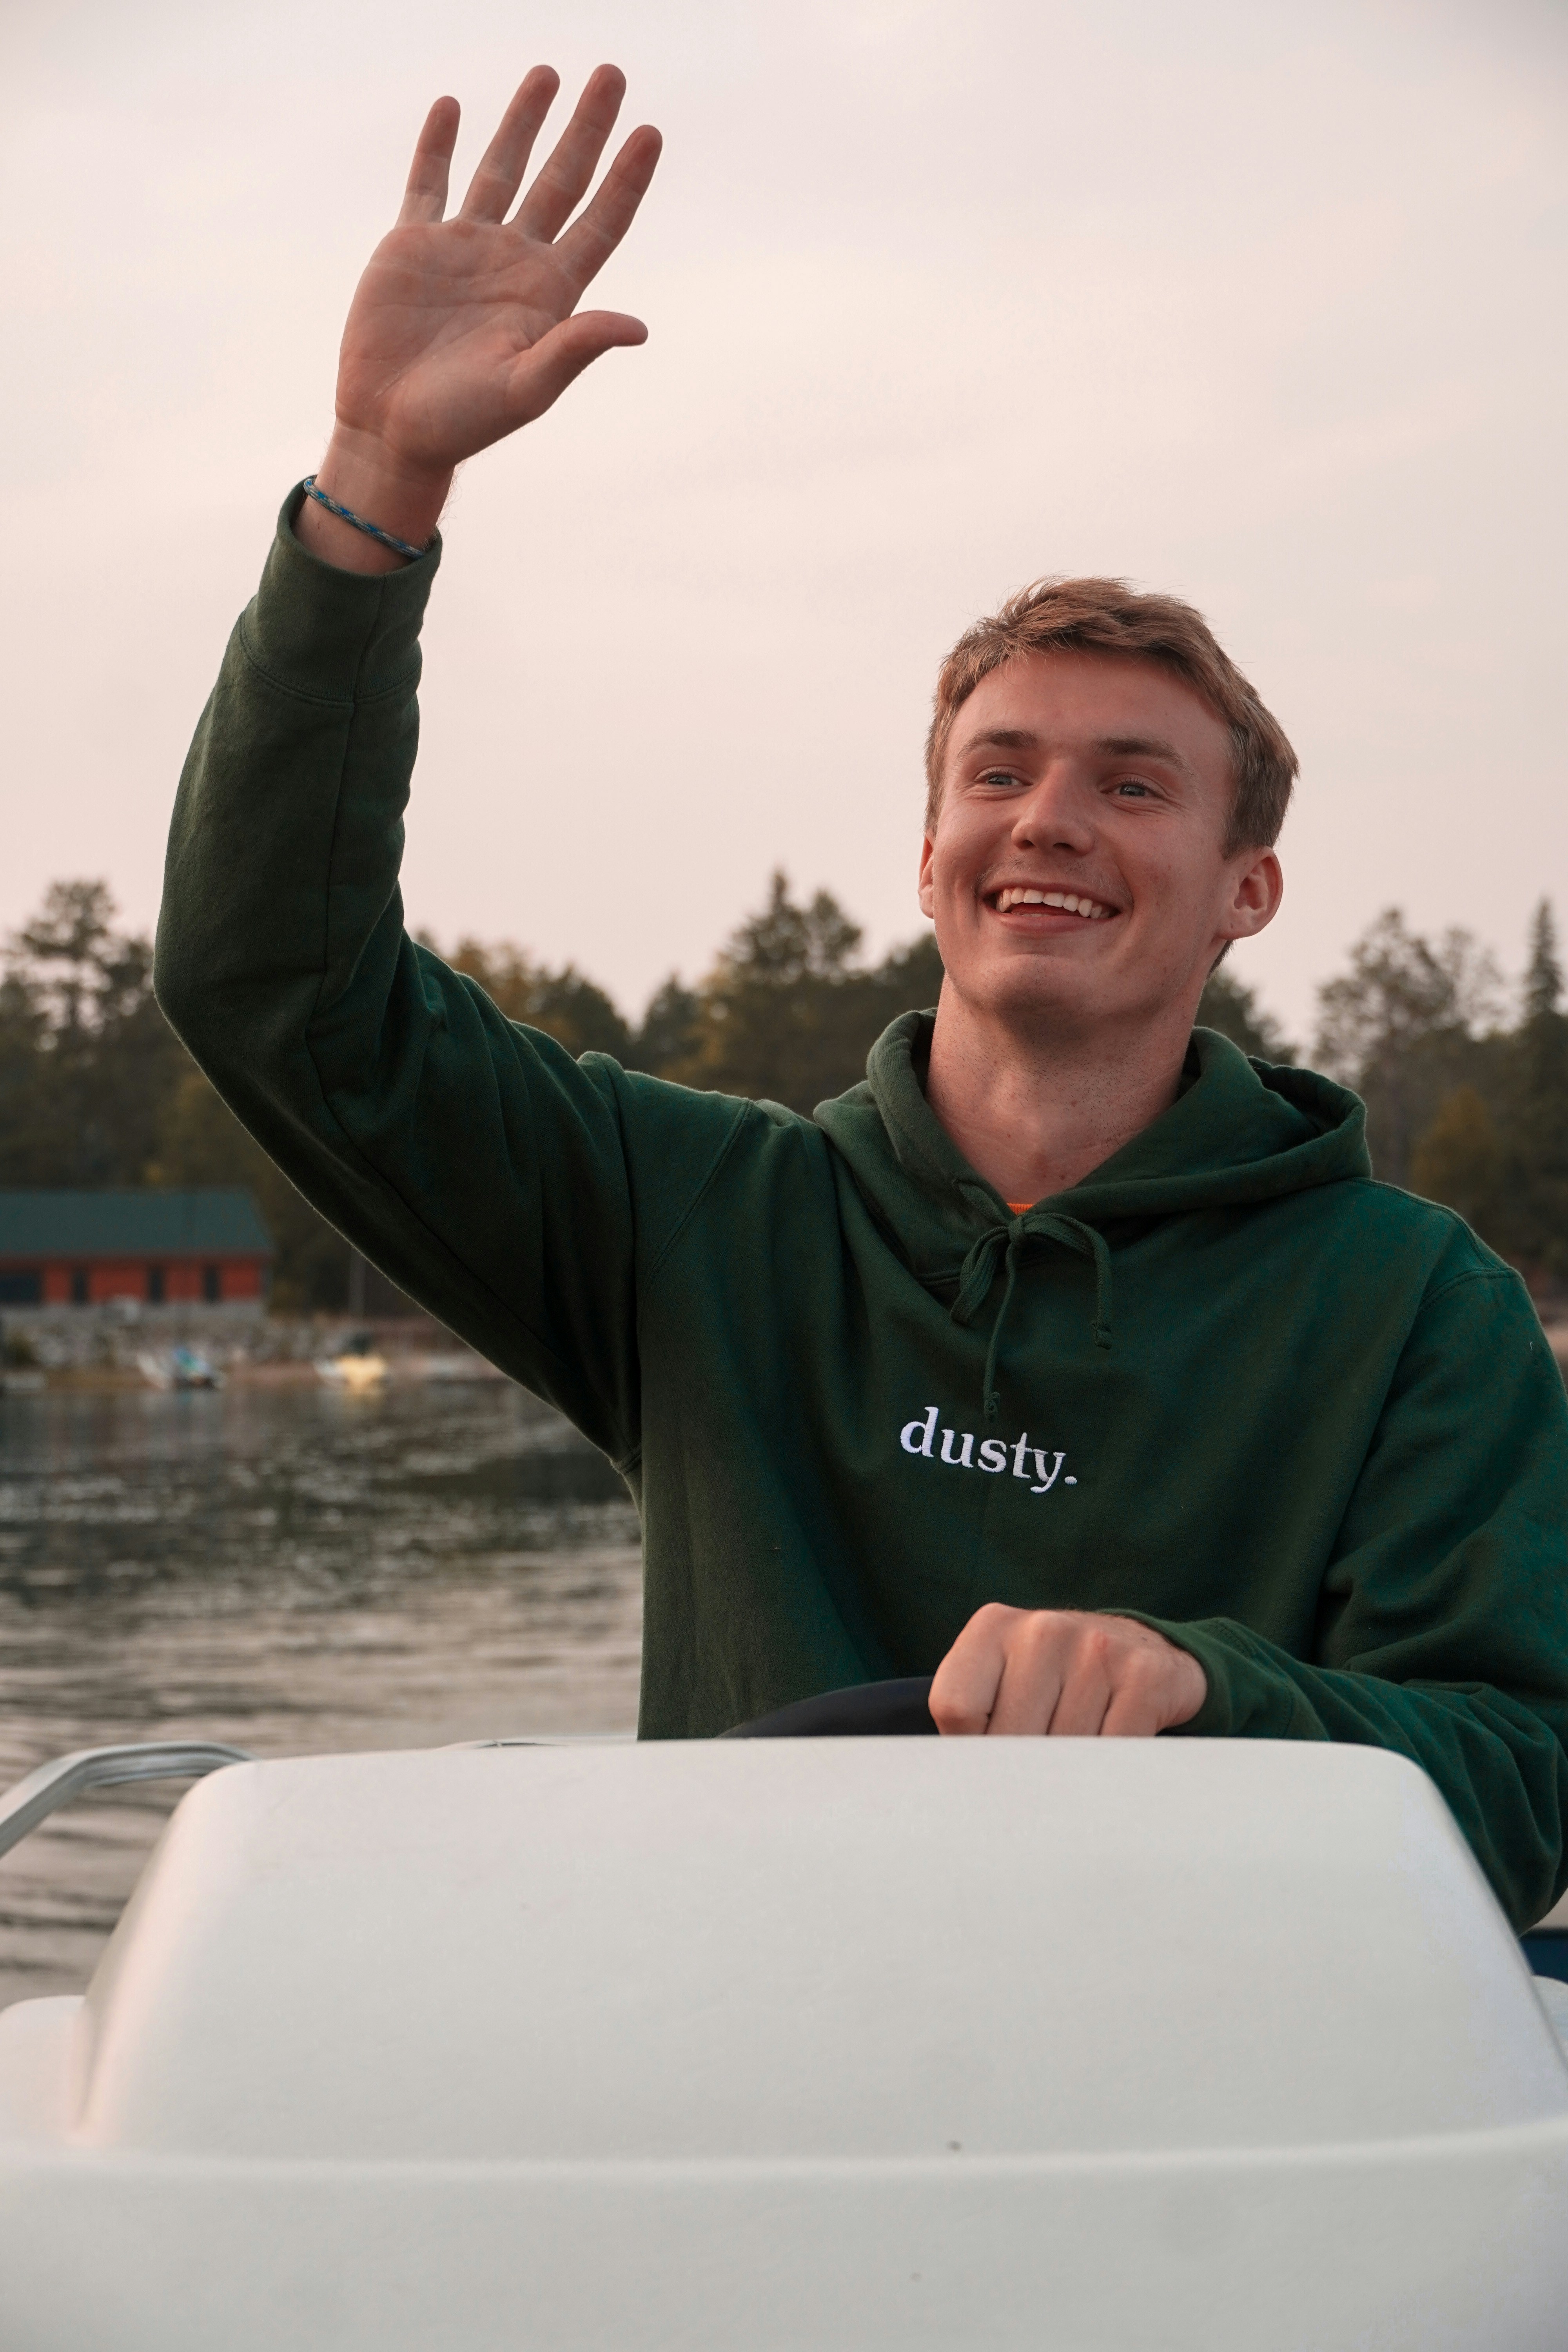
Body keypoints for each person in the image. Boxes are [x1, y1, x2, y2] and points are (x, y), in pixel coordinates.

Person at [156, 65, 1568, 1928]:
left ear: (1248, 889)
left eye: (1132, 783)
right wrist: (376, 474)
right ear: (927, 857)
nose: (1047, 819)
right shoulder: (694, 1217)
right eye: (999, 773)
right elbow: (270, 981)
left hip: (1218, 2089)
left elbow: (1520, 1783)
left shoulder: (1416, 1306)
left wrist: (1207, 1696)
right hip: (745, 2063)